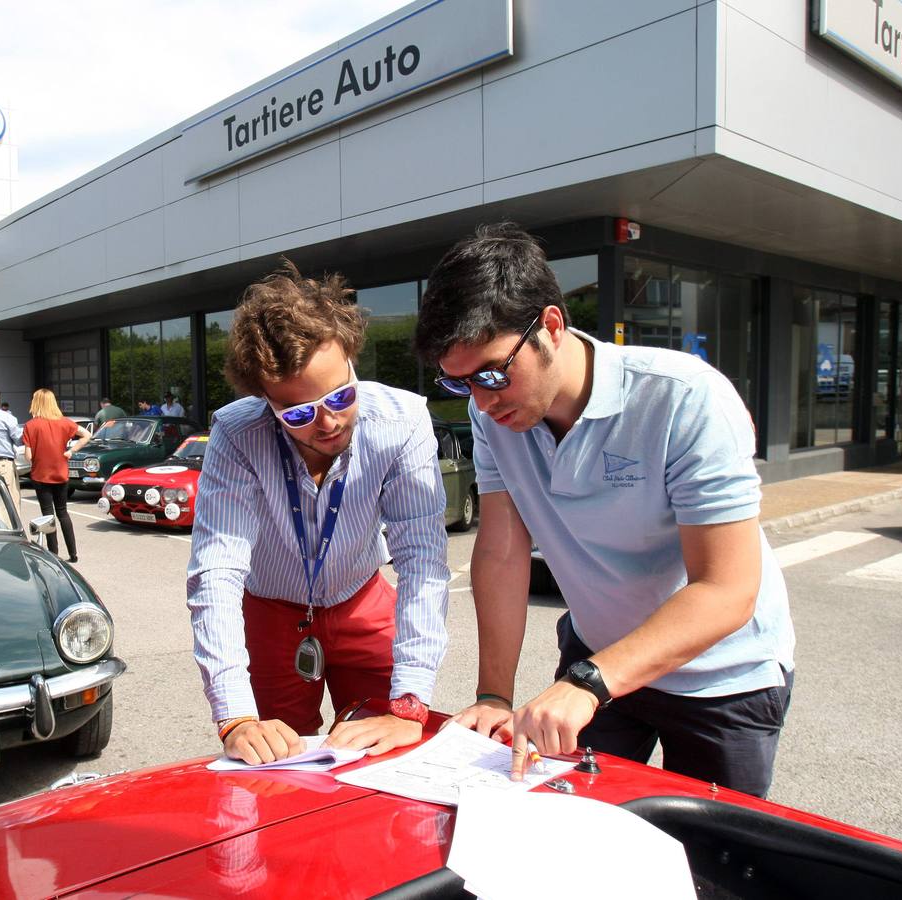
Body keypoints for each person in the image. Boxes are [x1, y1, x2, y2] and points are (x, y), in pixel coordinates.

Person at [413, 223, 795, 798]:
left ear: (551, 326)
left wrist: (589, 682)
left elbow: (726, 588)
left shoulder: (683, 397)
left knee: (713, 867)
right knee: (579, 833)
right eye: (460, 382)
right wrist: (494, 695)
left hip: (722, 676)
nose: (484, 401)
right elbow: (501, 551)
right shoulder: (492, 415)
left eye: (493, 373)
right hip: (597, 656)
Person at [186, 262, 450, 766]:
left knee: (388, 753)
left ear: (352, 359)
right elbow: (217, 571)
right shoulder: (237, 434)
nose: (327, 422)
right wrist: (235, 716)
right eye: (299, 414)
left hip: (362, 599)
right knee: (276, 762)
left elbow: (422, 560)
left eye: (341, 396)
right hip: (269, 609)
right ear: (265, 402)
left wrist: (411, 702)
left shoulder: (403, 421)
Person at [22, 388, 91, 562]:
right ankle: (73, 553)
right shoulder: (64, 422)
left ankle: (54, 554)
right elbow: (87, 435)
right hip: (61, 473)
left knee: (48, 514)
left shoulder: (31, 425)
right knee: (63, 512)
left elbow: (29, 456)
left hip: (40, 474)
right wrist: (71, 451)